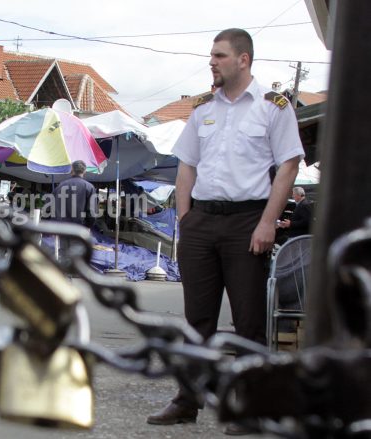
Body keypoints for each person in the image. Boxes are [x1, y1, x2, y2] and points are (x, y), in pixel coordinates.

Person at [146, 29, 303, 436]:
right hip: (201, 222)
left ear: (243, 60)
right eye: (211, 55)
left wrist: (268, 221)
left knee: (249, 322)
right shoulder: (202, 109)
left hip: (247, 222)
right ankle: (187, 400)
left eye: (219, 55)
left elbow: (288, 165)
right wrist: (184, 219)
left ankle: (248, 406)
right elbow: (186, 166)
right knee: (196, 319)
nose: (211, 62)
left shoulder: (273, 107)